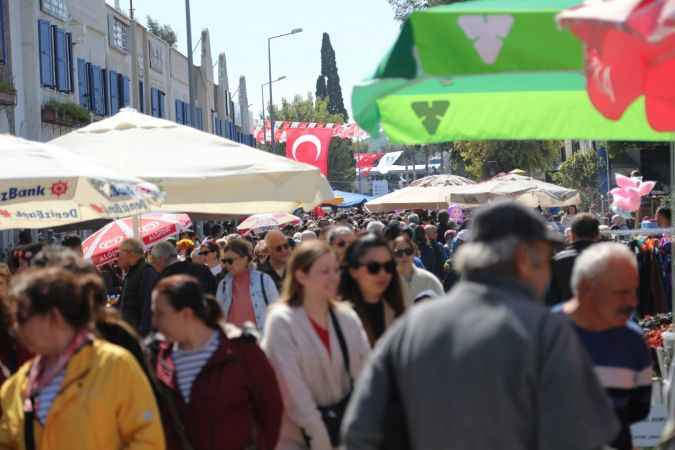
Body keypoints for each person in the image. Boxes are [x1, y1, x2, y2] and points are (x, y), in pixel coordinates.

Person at [342, 202, 620, 450]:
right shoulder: (544, 330)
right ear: (524, 261)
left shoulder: (412, 327)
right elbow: (583, 436)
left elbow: (360, 433)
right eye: (545, 260)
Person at [0, 267, 165, 450]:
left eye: (21, 319)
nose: (16, 329)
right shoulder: (16, 386)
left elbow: (147, 439)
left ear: (53, 317)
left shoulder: (114, 365)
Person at [150, 275, 283, 450]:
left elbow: (271, 410)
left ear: (186, 314)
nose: (154, 322)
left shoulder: (242, 350)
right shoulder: (158, 358)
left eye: (160, 314)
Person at [262, 241, 371, 450]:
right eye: (324, 271)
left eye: (336, 270)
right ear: (301, 276)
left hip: (345, 434)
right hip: (295, 438)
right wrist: (321, 439)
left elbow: (365, 374)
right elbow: (293, 393)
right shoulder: (281, 322)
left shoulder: (347, 317)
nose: (334, 277)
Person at [556, 243, 651, 450]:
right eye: (621, 292)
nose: (633, 302)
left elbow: (638, 409)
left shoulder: (634, 341)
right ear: (585, 289)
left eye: (634, 291)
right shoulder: (542, 334)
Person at [338, 234, 405, 345]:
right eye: (373, 267)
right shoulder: (337, 317)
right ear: (353, 270)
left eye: (389, 266)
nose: (383, 273)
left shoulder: (397, 311)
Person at [217, 238, 279, 331]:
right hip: (232, 340)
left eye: (230, 261)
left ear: (245, 259)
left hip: (259, 339)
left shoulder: (264, 279)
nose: (227, 265)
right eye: (224, 261)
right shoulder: (223, 284)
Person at [547, 214, 600, 306]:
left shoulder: (557, 262)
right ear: (597, 235)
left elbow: (550, 300)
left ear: (572, 235)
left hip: (565, 317)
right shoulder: (611, 260)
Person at [118, 238, 159, 336]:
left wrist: (142, 336)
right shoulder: (132, 273)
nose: (118, 258)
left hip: (139, 336)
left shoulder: (146, 272)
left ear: (130, 253)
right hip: (129, 334)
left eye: (119, 253)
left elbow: (148, 307)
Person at [392, 235, 443, 307]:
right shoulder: (388, 280)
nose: (404, 255)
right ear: (393, 255)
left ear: (413, 253)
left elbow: (441, 305)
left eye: (408, 251)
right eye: (399, 252)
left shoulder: (429, 279)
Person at [153, 241, 217, 296]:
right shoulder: (203, 269)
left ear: (161, 259)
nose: (153, 264)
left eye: (153, 260)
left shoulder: (163, 280)